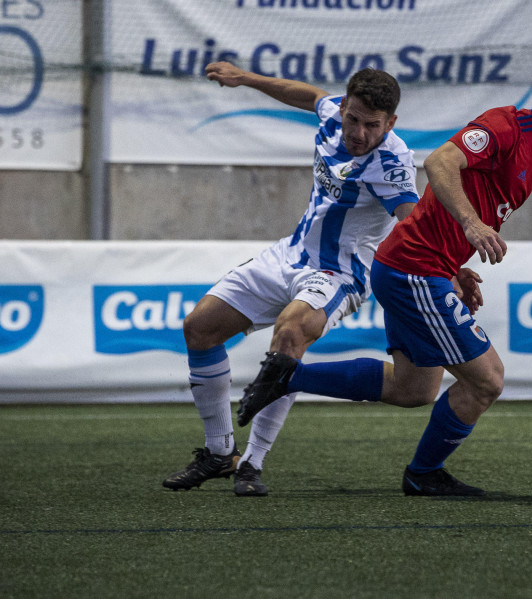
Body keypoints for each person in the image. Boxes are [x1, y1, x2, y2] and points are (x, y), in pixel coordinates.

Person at [237, 47, 532, 496]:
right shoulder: (507, 126)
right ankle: (424, 473)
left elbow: (451, 203)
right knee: (488, 380)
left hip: (418, 266)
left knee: (414, 388)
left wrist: (456, 266)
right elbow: (439, 162)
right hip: (413, 269)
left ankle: (287, 376)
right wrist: (472, 226)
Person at [162, 61, 420, 496]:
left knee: (291, 334)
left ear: (390, 122)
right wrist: (245, 78)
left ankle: (252, 464)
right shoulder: (335, 114)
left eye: (371, 126)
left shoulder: (393, 163)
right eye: (352, 119)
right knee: (199, 328)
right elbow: (307, 95)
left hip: (339, 273)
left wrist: (453, 270)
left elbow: (414, 222)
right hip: (289, 254)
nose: (357, 132)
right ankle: (218, 453)